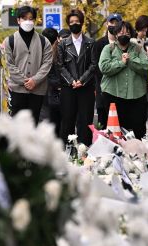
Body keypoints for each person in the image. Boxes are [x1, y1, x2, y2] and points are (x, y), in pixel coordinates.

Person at [99, 21, 148, 139]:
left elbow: (146, 66)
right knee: (115, 131)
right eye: (121, 32)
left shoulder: (138, 49)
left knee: (138, 129)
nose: (124, 35)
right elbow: (104, 67)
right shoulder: (109, 48)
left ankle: (138, 154)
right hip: (113, 94)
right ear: (116, 34)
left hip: (136, 95)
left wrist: (131, 60)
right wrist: (121, 63)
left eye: (127, 33)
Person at [4, 6, 53, 121]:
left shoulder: (44, 41)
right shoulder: (9, 41)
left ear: (35, 21)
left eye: (31, 19)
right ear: (18, 20)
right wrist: (24, 81)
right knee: (17, 121)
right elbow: (8, 64)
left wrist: (35, 80)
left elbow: (47, 63)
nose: (28, 21)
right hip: (17, 89)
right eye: (24, 18)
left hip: (37, 89)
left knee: (33, 121)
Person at [57, 9, 97, 145]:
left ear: (82, 23)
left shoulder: (91, 43)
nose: (74, 24)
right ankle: (67, 151)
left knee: (86, 121)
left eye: (77, 21)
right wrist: (72, 81)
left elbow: (93, 65)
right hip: (68, 88)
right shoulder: (62, 44)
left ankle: (85, 150)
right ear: (68, 24)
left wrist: (82, 80)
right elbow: (60, 65)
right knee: (67, 120)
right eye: (71, 22)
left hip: (86, 88)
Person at [93, 13, 123, 128]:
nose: (113, 25)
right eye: (111, 23)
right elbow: (96, 67)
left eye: (116, 23)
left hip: (121, 93)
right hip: (103, 90)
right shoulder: (98, 44)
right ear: (106, 24)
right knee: (104, 126)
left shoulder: (124, 43)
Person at [39, 27, 62, 137]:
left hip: (45, 94)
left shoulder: (39, 52)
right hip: (57, 94)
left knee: (46, 124)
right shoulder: (59, 52)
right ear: (57, 39)